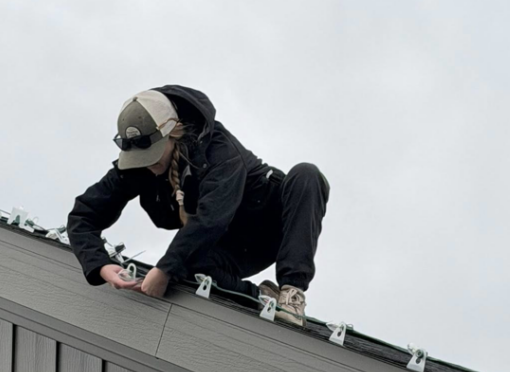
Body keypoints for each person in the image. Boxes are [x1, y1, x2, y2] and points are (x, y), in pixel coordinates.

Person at [68, 85, 329, 327]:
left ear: (174, 132)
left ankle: (291, 293)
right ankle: (263, 297)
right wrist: (100, 265)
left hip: (273, 223)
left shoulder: (220, 151)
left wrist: (165, 268)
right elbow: (83, 217)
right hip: (229, 245)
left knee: (306, 174)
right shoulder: (136, 167)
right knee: (188, 265)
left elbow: (211, 218)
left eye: (153, 154)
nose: (147, 163)